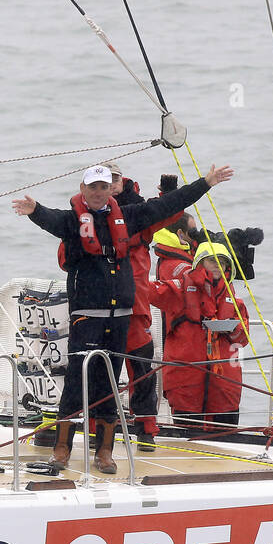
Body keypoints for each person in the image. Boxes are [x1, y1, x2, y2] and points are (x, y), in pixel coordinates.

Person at [12, 162, 233, 473]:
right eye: (94, 187)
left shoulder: (129, 217)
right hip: (86, 316)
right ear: (83, 190)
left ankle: (105, 451)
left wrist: (206, 182)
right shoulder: (72, 221)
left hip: (121, 316)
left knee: (109, 386)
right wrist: (34, 209)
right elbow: (50, 219)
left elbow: (171, 204)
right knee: (77, 383)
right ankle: (62, 449)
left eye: (105, 186)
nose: (100, 192)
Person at [110, 166, 186, 442]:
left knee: (142, 373)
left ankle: (146, 429)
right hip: (102, 308)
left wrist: (169, 192)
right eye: (103, 180)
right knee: (102, 372)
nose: (110, 184)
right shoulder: (87, 217)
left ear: (123, 181)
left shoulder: (140, 212)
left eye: (114, 178)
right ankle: (98, 428)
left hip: (136, 307)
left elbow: (170, 212)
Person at [150, 241, 250, 430]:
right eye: (212, 260)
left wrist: (232, 329)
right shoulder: (178, 290)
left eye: (222, 261)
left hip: (225, 385)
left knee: (226, 441)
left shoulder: (234, 299)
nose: (218, 265)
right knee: (187, 438)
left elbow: (243, 339)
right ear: (200, 262)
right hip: (186, 381)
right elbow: (146, 291)